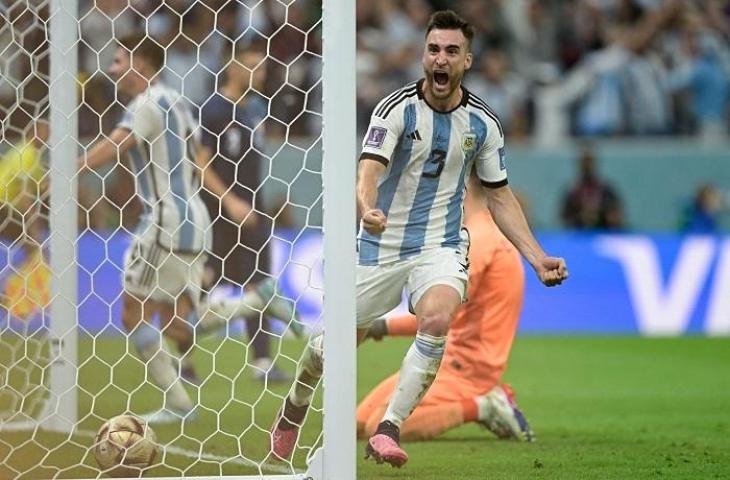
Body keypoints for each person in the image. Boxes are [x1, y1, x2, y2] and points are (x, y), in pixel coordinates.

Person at [270, 10, 567, 468]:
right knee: (326, 349)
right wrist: (366, 208)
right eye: (433, 50)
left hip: (441, 246)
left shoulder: (483, 124)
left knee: (436, 317)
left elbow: (500, 197)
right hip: (381, 244)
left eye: (451, 51)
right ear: (423, 56)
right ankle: (294, 405)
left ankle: (389, 428)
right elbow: (369, 168)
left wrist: (537, 256)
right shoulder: (395, 110)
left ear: (467, 60)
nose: (440, 59)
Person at [357, 173, 533, 443]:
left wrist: (381, 326)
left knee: (376, 429)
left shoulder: (479, 239)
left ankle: (484, 405)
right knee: (358, 423)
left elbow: (438, 316)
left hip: (468, 369)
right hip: (450, 359)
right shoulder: (478, 234)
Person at [195, 43, 300, 384]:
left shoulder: (254, 110)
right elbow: (200, 164)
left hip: (252, 215)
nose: (261, 73)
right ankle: (179, 359)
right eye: (253, 66)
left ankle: (263, 362)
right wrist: (229, 201)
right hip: (217, 214)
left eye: (264, 67)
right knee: (201, 285)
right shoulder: (212, 110)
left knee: (261, 285)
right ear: (232, 67)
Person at [0, 120, 50, 319]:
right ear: (35, 131)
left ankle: (8, 293)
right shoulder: (27, 154)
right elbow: (24, 196)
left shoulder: (28, 154)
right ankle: (10, 294)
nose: (49, 136)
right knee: (33, 248)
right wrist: (34, 229)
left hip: (6, 209)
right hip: (4, 207)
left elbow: (40, 185)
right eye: (46, 131)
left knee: (33, 251)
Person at [561, 145, 624, 230]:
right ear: (579, 164)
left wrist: (605, 217)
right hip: (578, 237)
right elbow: (564, 220)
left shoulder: (606, 191)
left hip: (602, 235)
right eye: (584, 161)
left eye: (589, 161)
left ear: (595, 163)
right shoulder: (572, 193)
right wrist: (581, 218)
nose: (587, 165)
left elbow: (617, 217)